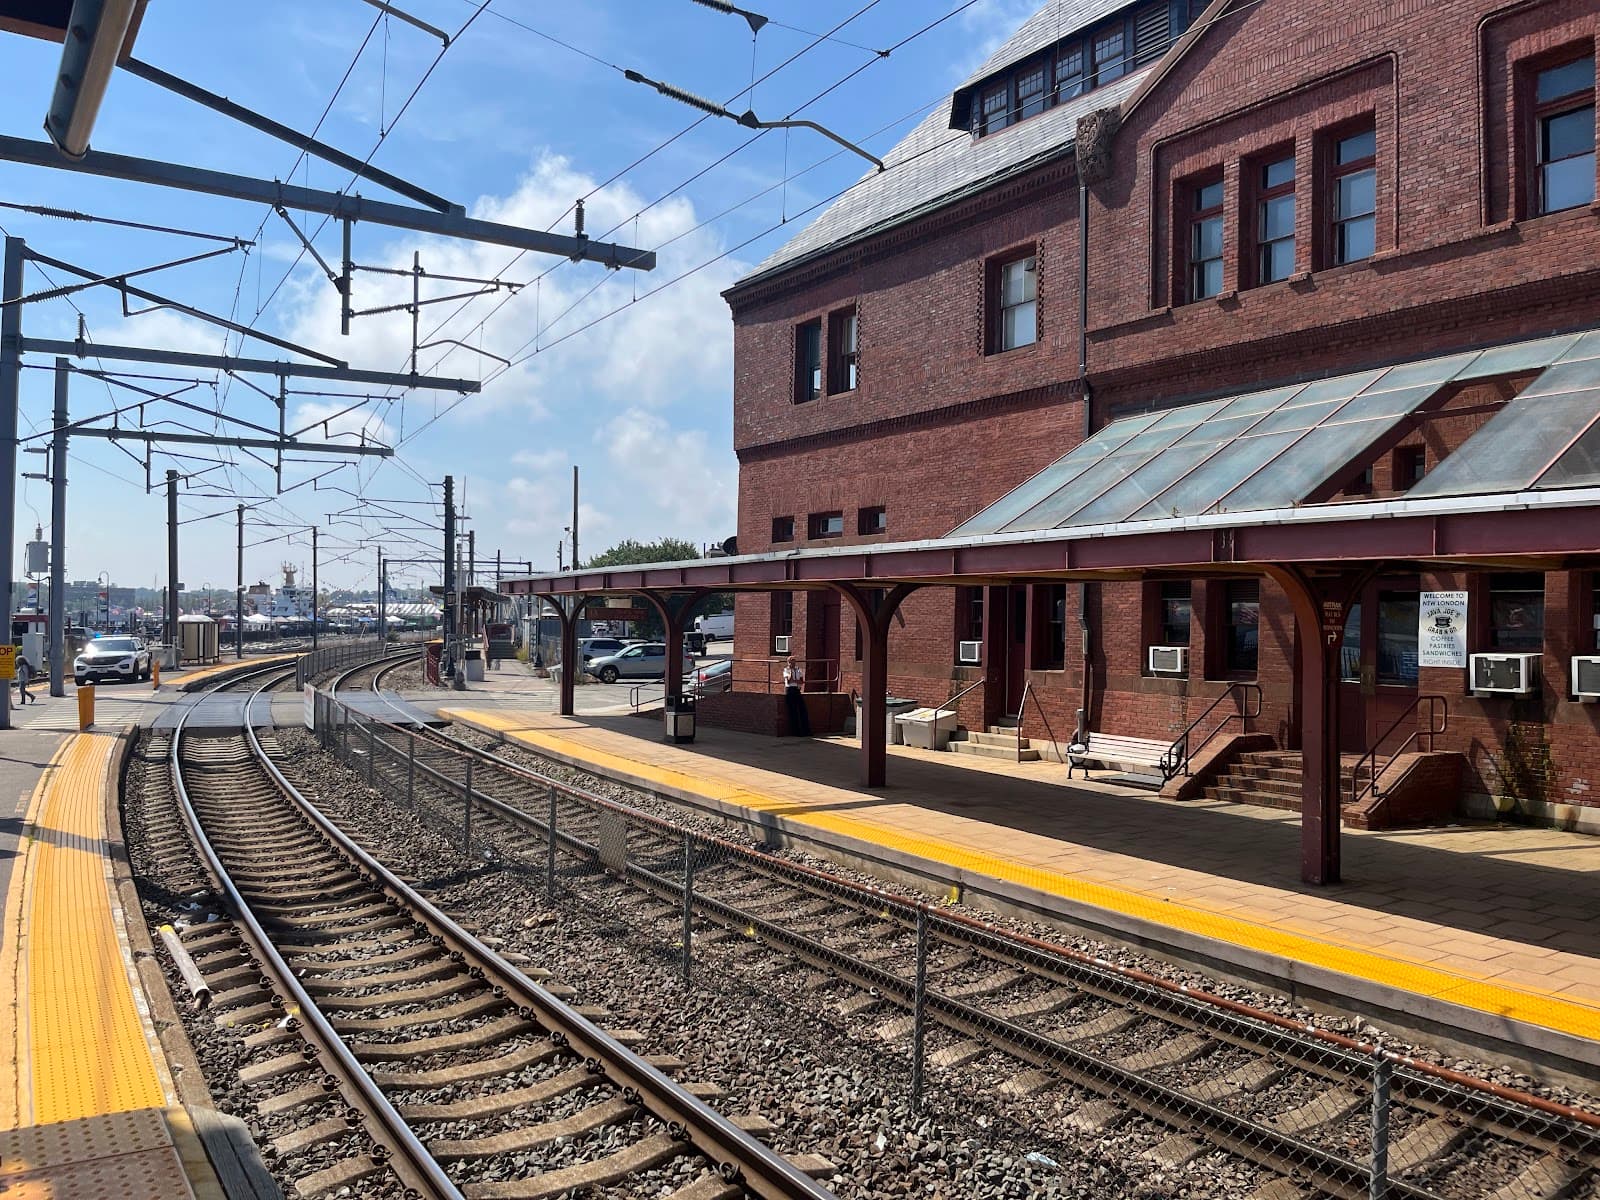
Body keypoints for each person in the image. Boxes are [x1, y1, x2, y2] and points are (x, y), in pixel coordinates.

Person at [782, 655, 810, 736]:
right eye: (791, 662)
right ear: (788, 663)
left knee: (802, 709)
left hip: (797, 690)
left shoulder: (798, 670)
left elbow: (801, 681)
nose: (793, 663)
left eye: (794, 661)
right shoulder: (786, 670)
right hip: (790, 690)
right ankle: (796, 732)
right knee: (793, 711)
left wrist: (796, 680)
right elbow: (789, 681)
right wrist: (791, 671)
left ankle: (806, 731)